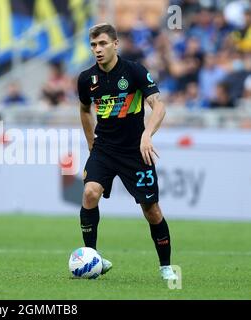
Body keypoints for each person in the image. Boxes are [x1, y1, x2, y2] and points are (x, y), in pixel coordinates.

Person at [77, 23, 178, 280]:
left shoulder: (134, 71)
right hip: (105, 149)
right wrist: (91, 143)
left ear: (115, 44)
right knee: (90, 193)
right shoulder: (87, 79)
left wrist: (147, 134)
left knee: (151, 209)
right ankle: (92, 259)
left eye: (102, 44)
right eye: (93, 45)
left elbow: (159, 106)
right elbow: (84, 109)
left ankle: (165, 266)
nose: (97, 50)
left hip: (135, 151)